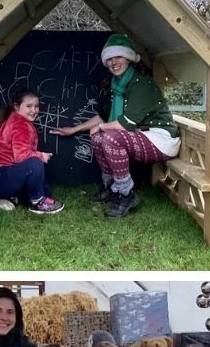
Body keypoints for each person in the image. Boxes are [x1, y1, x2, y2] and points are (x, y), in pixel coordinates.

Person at [49, 33, 180, 218]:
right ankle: (112, 187)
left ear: (128, 58)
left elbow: (126, 124)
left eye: (118, 57)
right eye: (109, 59)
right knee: (97, 138)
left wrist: (102, 128)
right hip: (141, 135)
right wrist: (74, 129)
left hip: (161, 138)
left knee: (109, 137)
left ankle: (126, 194)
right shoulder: (117, 85)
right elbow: (103, 116)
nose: (114, 62)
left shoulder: (141, 83)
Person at [0, 90, 62, 214]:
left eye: (36, 106)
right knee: (34, 164)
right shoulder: (21, 124)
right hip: (1, 178)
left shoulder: (12, 118)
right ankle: (37, 203)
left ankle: (9, 197)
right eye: (28, 106)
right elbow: (22, 156)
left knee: (46, 190)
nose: (34, 110)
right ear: (16, 107)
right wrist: (41, 155)